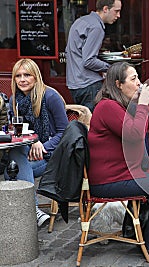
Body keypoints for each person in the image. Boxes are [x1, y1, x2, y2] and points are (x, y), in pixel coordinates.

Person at [87, 62, 149, 257]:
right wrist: (143, 105)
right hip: (108, 181)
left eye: (138, 77)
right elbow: (135, 136)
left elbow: (138, 142)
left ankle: (148, 232)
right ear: (118, 84)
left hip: (121, 174)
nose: (139, 83)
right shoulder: (107, 107)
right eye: (133, 79)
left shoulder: (119, 106)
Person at [5, 58, 69, 227]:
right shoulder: (14, 101)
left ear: (36, 77)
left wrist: (43, 145)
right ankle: (33, 211)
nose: (22, 79)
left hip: (52, 155)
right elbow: (16, 132)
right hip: (27, 152)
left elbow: (65, 132)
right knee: (14, 159)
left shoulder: (50, 96)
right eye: (18, 76)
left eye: (27, 75)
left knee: (11, 171)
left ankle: (23, 214)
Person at [65, 0, 122, 112]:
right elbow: (88, 61)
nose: (118, 15)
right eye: (116, 11)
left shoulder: (81, 21)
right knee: (92, 125)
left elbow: (70, 51)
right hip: (89, 84)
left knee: (83, 123)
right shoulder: (96, 27)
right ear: (105, 9)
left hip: (74, 84)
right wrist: (111, 68)